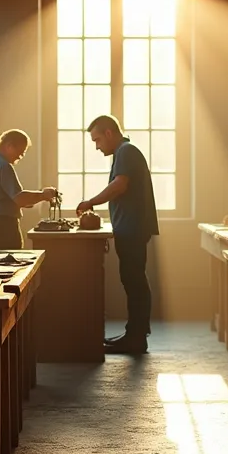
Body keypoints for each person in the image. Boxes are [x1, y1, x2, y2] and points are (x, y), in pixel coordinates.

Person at [76, 115, 159, 355]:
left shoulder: (126, 151)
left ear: (110, 133)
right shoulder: (123, 152)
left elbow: (120, 185)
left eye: (97, 139)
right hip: (129, 228)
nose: (96, 146)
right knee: (132, 280)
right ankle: (133, 333)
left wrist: (90, 202)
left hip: (132, 229)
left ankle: (136, 338)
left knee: (134, 282)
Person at [0, 129, 57, 250]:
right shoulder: (3, 166)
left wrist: (32, 199)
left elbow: (1, 197)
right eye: (20, 152)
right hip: (1, 228)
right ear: (9, 145)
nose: (20, 157)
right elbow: (20, 199)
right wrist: (43, 195)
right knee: (8, 265)